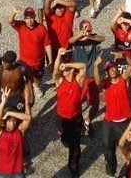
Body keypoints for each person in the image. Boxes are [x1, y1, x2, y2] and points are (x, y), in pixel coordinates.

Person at [94, 52, 131, 177]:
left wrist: (124, 55)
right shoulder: (105, 83)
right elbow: (97, 82)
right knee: (108, 149)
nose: (111, 70)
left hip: (124, 122)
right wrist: (95, 66)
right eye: (108, 69)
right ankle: (111, 172)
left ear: (116, 68)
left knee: (127, 149)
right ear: (106, 72)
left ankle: (130, 168)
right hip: (109, 122)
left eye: (113, 67)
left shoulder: (123, 79)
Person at [53, 48, 86, 177]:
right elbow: (55, 71)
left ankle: (73, 165)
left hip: (75, 118)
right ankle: (67, 140)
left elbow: (83, 66)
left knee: (75, 145)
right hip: (61, 117)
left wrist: (67, 64)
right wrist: (58, 56)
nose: (63, 71)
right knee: (65, 141)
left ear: (72, 70)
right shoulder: (60, 81)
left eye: (66, 70)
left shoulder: (78, 80)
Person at [10, 6, 52, 98]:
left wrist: (50, 61)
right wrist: (14, 12)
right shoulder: (20, 26)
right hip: (24, 61)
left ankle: (36, 86)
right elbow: (10, 21)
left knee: (37, 78)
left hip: (38, 61)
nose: (30, 20)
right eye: (27, 18)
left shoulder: (42, 29)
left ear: (35, 17)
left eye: (31, 17)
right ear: (24, 19)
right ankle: (27, 87)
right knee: (23, 76)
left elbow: (47, 44)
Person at [0, 86, 32, 178]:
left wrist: (10, 114)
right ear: (5, 122)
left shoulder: (19, 130)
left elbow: (28, 118)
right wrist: (3, 103)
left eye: (14, 121)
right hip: (1, 172)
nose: (13, 124)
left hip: (18, 171)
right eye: (10, 121)